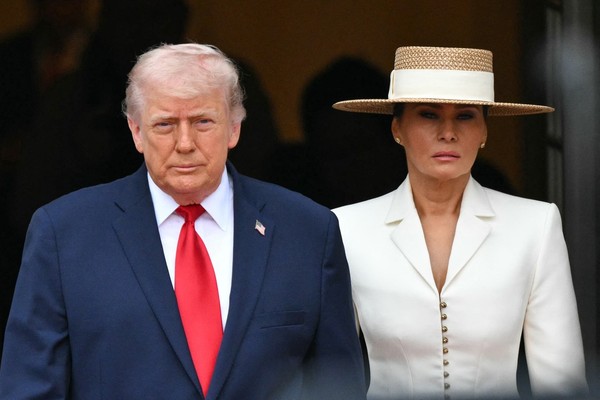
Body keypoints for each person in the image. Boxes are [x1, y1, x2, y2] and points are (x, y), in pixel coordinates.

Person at [0, 43, 367, 400]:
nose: (185, 143)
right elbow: (30, 387)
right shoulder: (64, 234)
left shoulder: (307, 231)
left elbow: (340, 387)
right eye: (165, 124)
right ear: (136, 131)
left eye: (203, 121)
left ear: (234, 128)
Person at [332, 46, 587, 399]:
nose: (448, 132)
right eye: (428, 115)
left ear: (484, 131)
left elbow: (562, 382)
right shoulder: (347, 228)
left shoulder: (535, 225)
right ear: (396, 128)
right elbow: (332, 376)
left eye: (465, 116)